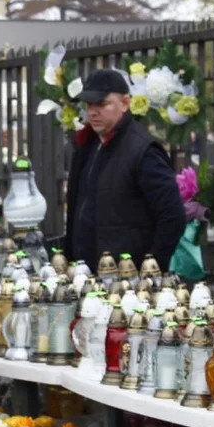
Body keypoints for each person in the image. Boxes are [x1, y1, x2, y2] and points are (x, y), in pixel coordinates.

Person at [64, 68, 186, 273]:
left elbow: (172, 216)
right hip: (87, 275)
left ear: (125, 104)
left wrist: (149, 270)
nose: (93, 111)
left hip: (126, 282)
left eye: (102, 104)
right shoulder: (88, 145)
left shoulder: (143, 151)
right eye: (89, 104)